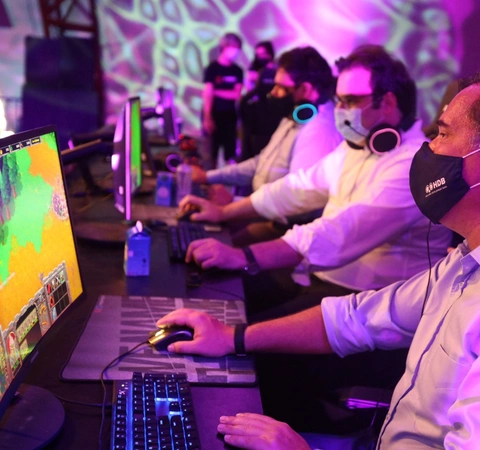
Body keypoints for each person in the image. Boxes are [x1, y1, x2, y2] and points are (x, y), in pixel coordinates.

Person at [158, 64, 480, 448]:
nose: (429, 149)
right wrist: (232, 337)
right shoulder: (478, 255)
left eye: (443, 133)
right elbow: (361, 317)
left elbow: (337, 239)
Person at [181, 45, 452, 319]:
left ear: (388, 103)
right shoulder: (357, 147)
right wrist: (223, 212)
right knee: (212, 290)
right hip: (323, 281)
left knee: (239, 324)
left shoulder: (412, 165)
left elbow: (341, 231)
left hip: (370, 306)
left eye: (350, 101)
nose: (339, 110)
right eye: (338, 100)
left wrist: (244, 256)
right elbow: (297, 187)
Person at [193, 46, 341, 208]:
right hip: (261, 211)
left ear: (305, 89)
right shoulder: (295, 116)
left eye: (282, 87)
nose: (273, 93)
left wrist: (233, 203)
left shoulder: (319, 130)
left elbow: (299, 201)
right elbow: (262, 163)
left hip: (276, 221)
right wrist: (207, 177)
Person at [202, 32, 244, 166]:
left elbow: (236, 94)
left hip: (230, 115)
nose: (235, 52)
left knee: (230, 153)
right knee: (211, 153)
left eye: (238, 48)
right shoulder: (212, 69)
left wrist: (215, 91)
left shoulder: (237, 70)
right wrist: (207, 117)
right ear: (224, 47)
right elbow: (207, 95)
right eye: (233, 47)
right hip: (213, 114)